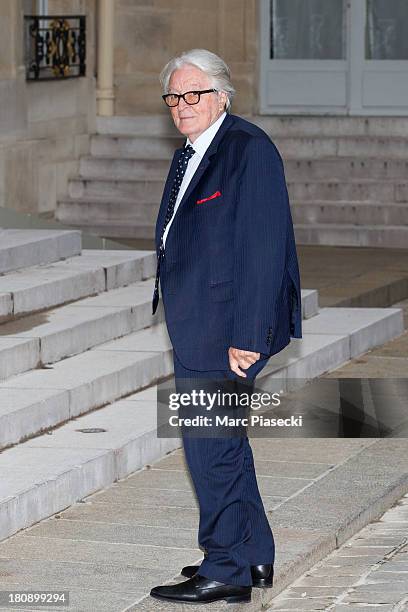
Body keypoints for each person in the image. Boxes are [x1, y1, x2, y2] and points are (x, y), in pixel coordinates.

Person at [150, 48, 302, 605]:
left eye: (194, 94)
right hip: (197, 322)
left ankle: (227, 569)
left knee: (210, 449)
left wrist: (248, 336)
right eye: (174, 96)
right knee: (226, 444)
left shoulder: (248, 151)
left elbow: (264, 250)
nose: (182, 105)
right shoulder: (193, 150)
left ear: (221, 95)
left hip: (225, 329)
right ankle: (252, 553)